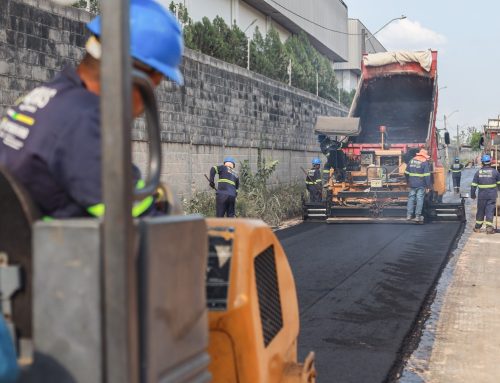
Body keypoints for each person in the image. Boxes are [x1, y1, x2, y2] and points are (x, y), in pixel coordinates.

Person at [0, 0, 183, 218]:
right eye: (155, 86)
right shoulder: (86, 122)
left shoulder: (49, 97)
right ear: (137, 79)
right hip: (56, 250)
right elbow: (141, 225)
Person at [471, 154, 500, 234]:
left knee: (480, 211)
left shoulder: (478, 173)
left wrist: (472, 195)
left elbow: (473, 185)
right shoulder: (495, 172)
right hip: (492, 196)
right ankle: (489, 228)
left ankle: (477, 227)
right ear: (490, 162)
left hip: (482, 196)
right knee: (490, 211)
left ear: (482, 163)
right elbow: (499, 184)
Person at [405, 148, 432, 223]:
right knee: (419, 199)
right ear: (424, 155)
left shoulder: (411, 161)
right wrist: (428, 186)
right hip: (421, 184)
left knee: (411, 198)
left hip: (412, 184)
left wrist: (408, 181)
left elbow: (406, 173)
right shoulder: (424, 162)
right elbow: (427, 176)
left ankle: (409, 215)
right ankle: (417, 216)